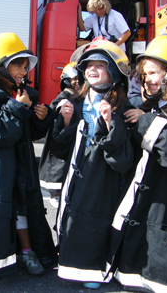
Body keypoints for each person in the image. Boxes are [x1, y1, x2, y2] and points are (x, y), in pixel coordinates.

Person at [0, 32, 58, 280]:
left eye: (25, 66)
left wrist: (40, 118)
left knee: (24, 209)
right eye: (17, 64)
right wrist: (19, 108)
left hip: (21, 168)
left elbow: (25, 134)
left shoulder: (21, 95)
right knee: (5, 212)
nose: (23, 71)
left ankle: (27, 252)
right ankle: (10, 256)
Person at [111, 36, 167, 292]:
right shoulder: (150, 104)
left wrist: (145, 120)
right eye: (145, 73)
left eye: (153, 72)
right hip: (144, 180)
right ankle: (132, 275)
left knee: (163, 233)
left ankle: (162, 282)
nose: (147, 78)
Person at [50, 40, 134, 289]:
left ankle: (93, 269)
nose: (93, 70)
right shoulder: (74, 100)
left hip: (103, 174)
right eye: (89, 66)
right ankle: (67, 259)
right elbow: (59, 147)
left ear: (114, 72)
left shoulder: (122, 105)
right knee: (70, 213)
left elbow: (124, 152)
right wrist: (65, 121)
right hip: (76, 169)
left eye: (101, 65)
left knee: (96, 219)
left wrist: (110, 122)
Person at [39, 62, 80, 208]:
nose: (77, 81)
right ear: (66, 80)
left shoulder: (78, 98)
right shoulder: (64, 99)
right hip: (59, 147)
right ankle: (56, 195)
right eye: (73, 78)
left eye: (79, 78)